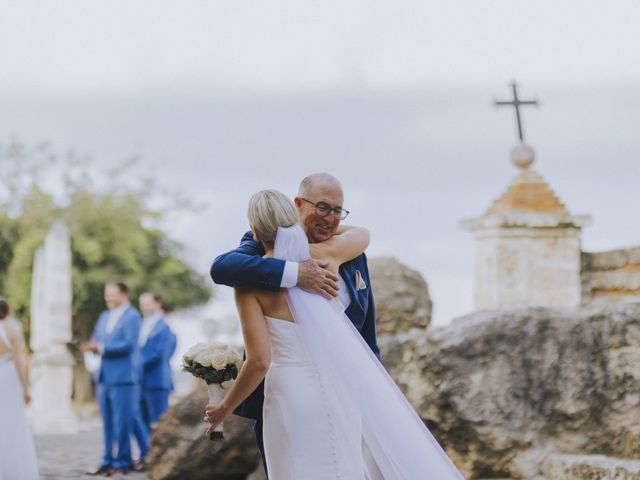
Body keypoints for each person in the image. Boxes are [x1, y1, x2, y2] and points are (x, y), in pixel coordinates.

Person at [206, 190, 463, 478]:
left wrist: (225, 407)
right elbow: (361, 234)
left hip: (291, 394)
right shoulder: (326, 260)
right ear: (295, 218)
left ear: (254, 230)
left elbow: (259, 361)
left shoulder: (250, 283)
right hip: (340, 390)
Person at [210, 173, 379, 473]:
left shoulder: (347, 252)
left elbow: (365, 333)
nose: (331, 218)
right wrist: (295, 273)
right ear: (297, 207)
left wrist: (225, 407)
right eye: (323, 208)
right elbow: (221, 267)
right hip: (293, 394)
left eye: (338, 211)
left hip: (343, 391)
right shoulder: (255, 263)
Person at [82, 282, 142, 476]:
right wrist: (91, 346)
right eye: (106, 294)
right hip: (104, 377)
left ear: (124, 295)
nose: (107, 298)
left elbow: (128, 344)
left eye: (112, 294)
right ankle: (106, 460)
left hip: (123, 378)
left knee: (122, 422)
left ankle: (122, 461)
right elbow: (96, 338)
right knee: (107, 423)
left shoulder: (133, 316)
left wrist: (100, 348)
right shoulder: (103, 316)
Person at [0, 297, 39, 480]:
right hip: (7, 379)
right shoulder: (13, 332)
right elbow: (18, 363)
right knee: (11, 421)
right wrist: (25, 389)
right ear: (8, 312)